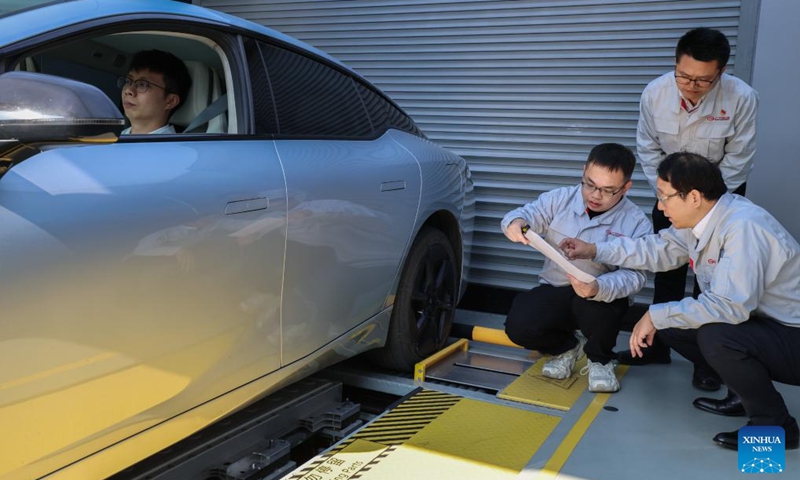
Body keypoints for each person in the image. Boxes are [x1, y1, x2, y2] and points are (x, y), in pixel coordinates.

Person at [559, 152, 799, 450]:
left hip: (792, 335)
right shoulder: (703, 220)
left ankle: (775, 427)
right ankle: (743, 394)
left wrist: (654, 315)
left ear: (694, 197)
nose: (660, 206)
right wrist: (594, 249)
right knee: (674, 327)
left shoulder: (744, 227)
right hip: (766, 325)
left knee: (717, 335)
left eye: (665, 197)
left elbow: (730, 307)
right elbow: (656, 249)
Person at [501, 143, 651, 393]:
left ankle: (600, 361)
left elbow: (636, 276)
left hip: (600, 296)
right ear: (583, 171)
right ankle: (567, 348)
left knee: (601, 311)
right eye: (589, 184)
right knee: (519, 325)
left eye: (607, 190)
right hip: (556, 287)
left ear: (626, 187)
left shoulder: (636, 223)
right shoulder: (560, 198)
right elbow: (527, 213)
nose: (595, 195)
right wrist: (516, 222)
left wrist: (598, 287)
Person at [118, 49, 192, 134]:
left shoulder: (171, 143)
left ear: (170, 101)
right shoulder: (113, 137)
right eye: (128, 81)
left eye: (142, 84)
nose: (128, 90)